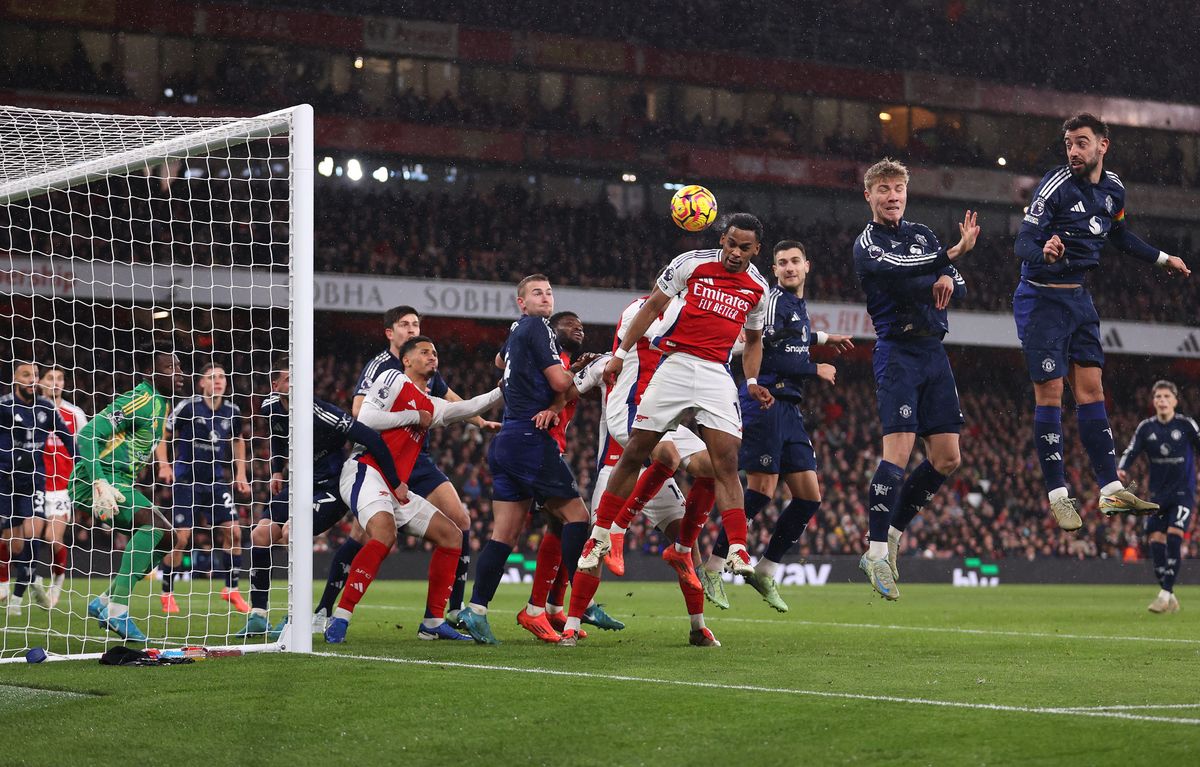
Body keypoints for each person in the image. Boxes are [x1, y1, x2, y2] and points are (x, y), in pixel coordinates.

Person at [566, 213, 774, 646]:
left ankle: (737, 548)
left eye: (745, 247)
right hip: (675, 365)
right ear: (723, 239)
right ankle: (603, 535)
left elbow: (753, 342)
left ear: (757, 250)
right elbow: (651, 308)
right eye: (731, 244)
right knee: (641, 451)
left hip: (716, 372)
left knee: (726, 461)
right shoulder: (690, 264)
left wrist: (751, 381)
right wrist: (620, 352)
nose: (736, 253)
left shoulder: (758, 289)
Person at [1014, 113, 1190, 530]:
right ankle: (1058, 494)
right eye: (1069, 143)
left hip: (1079, 298)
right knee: (1052, 394)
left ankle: (1110, 490)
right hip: (1041, 299)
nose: (1073, 151)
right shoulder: (1055, 184)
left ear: (1102, 145)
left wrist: (1163, 258)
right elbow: (1023, 241)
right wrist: (1045, 253)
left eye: (1081, 142)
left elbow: (1119, 235)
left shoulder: (1113, 189)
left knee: (1093, 391)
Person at [315, 305, 494, 630]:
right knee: (374, 533)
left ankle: (438, 618)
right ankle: (333, 613)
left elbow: (460, 405)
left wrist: (505, 390)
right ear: (399, 346)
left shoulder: (429, 394)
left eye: (417, 326)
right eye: (406, 326)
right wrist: (412, 417)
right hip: (369, 465)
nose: (431, 355)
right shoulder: (387, 372)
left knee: (454, 531)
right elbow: (364, 416)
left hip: (407, 469)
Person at [701, 240, 853, 612]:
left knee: (808, 496)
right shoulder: (771, 300)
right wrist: (816, 367)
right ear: (774, 269)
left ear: (807, 266)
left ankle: (766, 570)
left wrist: (823, 339)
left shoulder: (796, 306)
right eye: (782, 262)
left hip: (790, 408)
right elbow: (768, 347)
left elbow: (793, 337)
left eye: (794, 261)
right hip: (765, 401)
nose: (788, 267)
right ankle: (714, 566)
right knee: (762, 490)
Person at [853, 158, 976, 600]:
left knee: (947, 458)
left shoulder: (922, 234)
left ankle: (893, 533)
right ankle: (873, 550)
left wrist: (946, 272)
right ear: (869, 196)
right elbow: (900, 274)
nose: (892, 196)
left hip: (933, 353)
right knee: (899, 455)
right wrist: (947, 258)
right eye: (883, 189)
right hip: (898, 354)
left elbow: (958, 287)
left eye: (898, 188)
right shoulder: (867, 243)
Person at [459, 274, 591, 645]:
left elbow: (500, 359)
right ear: (522, 302)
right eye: (537, 293)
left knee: (504, 534)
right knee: (577, 517)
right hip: (532, 438)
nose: (546, 297)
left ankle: (477, 609)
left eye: (549, 292)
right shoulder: (536, 326)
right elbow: (561, 383)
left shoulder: (518, 329)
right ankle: (578, 603)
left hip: (508, 438)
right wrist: (583, 370)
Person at [235, 358, 409, 639]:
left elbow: (372, 439)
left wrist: (395, 481)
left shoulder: (322, 413)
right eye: (290, 380)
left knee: (293, 531)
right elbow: (279, 437)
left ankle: (297, 615)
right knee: (261, 534)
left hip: (330, 486)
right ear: (275, 385)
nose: (296, 385)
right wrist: (277, 470)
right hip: (297, 485)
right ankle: (258, 614)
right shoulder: (270, 408)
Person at [518, 311, 623, 642]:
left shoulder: (564, 362)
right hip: (539, 445)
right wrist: (574, 370)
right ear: (551, 330)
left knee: (561, 525)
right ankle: (540, 608)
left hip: (554, 448)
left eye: (581, 325)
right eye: (570, 324)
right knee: (574, 521)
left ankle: (552, 608)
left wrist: (579, 369)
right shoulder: (550, 359)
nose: (578, 328)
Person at [78, 350, 184, 641]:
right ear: (152, 373)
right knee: (154, 526)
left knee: (170, 538)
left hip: (121, 482)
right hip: (93, 481)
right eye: (170, 367)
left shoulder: (161, 405)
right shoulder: (139, 399)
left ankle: (104, 602)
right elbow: (87, 434)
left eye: (179, 366)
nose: (179, 373)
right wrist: (99, 481)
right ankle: (117, 609)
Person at [154, 362, 251, 614]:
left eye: (222, 376)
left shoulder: (232, 411)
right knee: (181, 538)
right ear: (201, 383)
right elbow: (163, 435)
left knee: (234, 532)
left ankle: (231, 589)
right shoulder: (188, 407)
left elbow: (238, 440)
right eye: (212, 377)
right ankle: (167, 593)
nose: (218, 380)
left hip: (216, 482)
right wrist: (164, 466)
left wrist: (241, 472)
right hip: (186, 482)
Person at [1117, 380, 1200, 613]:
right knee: (1155, 541)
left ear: (1175, 401)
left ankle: (1164, 594)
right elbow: (1131, 450)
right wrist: (1122, 468)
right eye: (1158, 397)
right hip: (1157, 494)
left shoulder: (1186, 425)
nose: (1162, 401)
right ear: (1153, 402)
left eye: (1166, 397)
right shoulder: (1146, 428)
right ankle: (1169, 593)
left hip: (1184, 492)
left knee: (1174, 534)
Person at [0, 361, 75, 614]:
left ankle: (24, 596)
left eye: (34, 375)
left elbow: (73, 441)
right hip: (8, 480)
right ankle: (9, 581)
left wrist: (90, 473)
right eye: (27, 375)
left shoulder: (63, 412)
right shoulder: (5, 407)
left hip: (43, 483)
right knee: (15, 544)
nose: (32, 380)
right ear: (15, 378)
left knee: (45, 538)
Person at [37, 365, 88, 608]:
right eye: (50, 378)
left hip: (61, 488)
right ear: (40, 383)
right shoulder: (29, 411)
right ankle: (24, 579)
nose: (55, 383)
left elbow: (85, 449)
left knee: (52, 538)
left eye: (60, 379)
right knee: (23, 539)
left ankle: (56, 581)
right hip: (32, 486)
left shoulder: (74, 414)